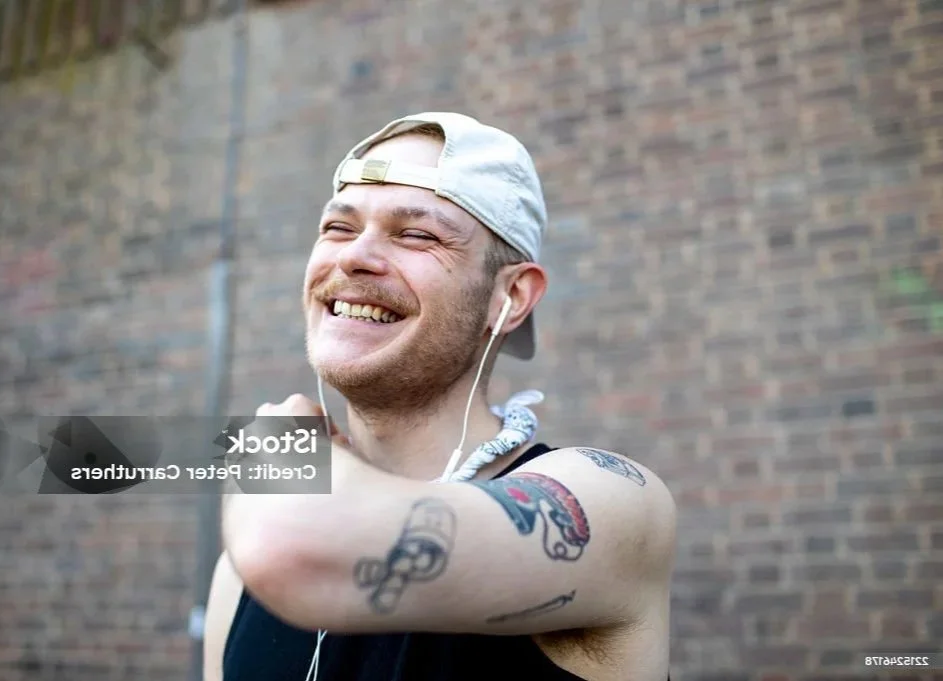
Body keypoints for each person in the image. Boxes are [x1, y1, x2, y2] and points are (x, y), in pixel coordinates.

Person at [204, 112, 677, 681]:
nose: (354, 257)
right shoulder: (238, 572)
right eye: (338, 228)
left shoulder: (610, 503)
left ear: (512, 297)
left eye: (418, 235)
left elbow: (296, 545)